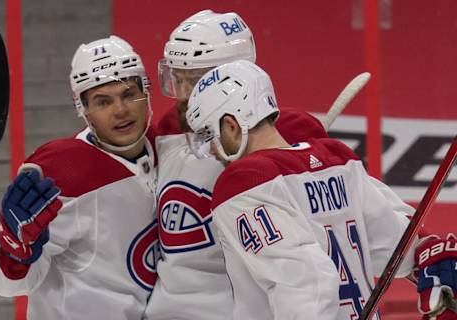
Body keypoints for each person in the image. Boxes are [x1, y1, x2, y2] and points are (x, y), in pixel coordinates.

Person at [186, 60, 457, 319]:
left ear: (232, 125)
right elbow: (400, 247)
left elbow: (306, 284)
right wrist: (434, 260)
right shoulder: (337, 160)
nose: (211, 149)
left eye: (210, 135)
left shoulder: (244, 183)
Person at [144, 10, 328, 319]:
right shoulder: (165, 132)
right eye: (177, 79)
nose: (185, 96)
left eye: (198, 81)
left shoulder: (291, 133)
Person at [0, 36, 159, 320]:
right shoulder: (61, 173)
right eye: (103, 101)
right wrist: (14, 246)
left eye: (128, 94)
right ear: (83, 109)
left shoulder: (168, 151)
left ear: (146, 92)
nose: (121, 110)